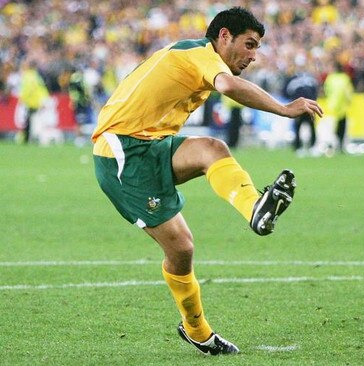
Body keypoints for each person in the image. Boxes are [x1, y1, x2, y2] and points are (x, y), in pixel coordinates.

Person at [91, 7, 322, 356]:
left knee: (211, 153)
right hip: (121, 151)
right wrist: (285, 108)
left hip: (151, 145)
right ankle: (199, 330)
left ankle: (253, 211)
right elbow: (229, 85)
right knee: (181, 247)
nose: (253, 56)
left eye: (257, 48)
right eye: (249, 44)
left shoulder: (195, 57)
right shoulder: (200, 54)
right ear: (224, 35)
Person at [323, 60, 354, 153]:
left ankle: (332, 146)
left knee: (332, 128)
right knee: (342, 128)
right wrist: (348, 102)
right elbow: (349, 92)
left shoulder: (330, 78)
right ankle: (340, 145)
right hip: (343, 108)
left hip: (331, 107)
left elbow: (326, 90)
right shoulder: (345, 78)